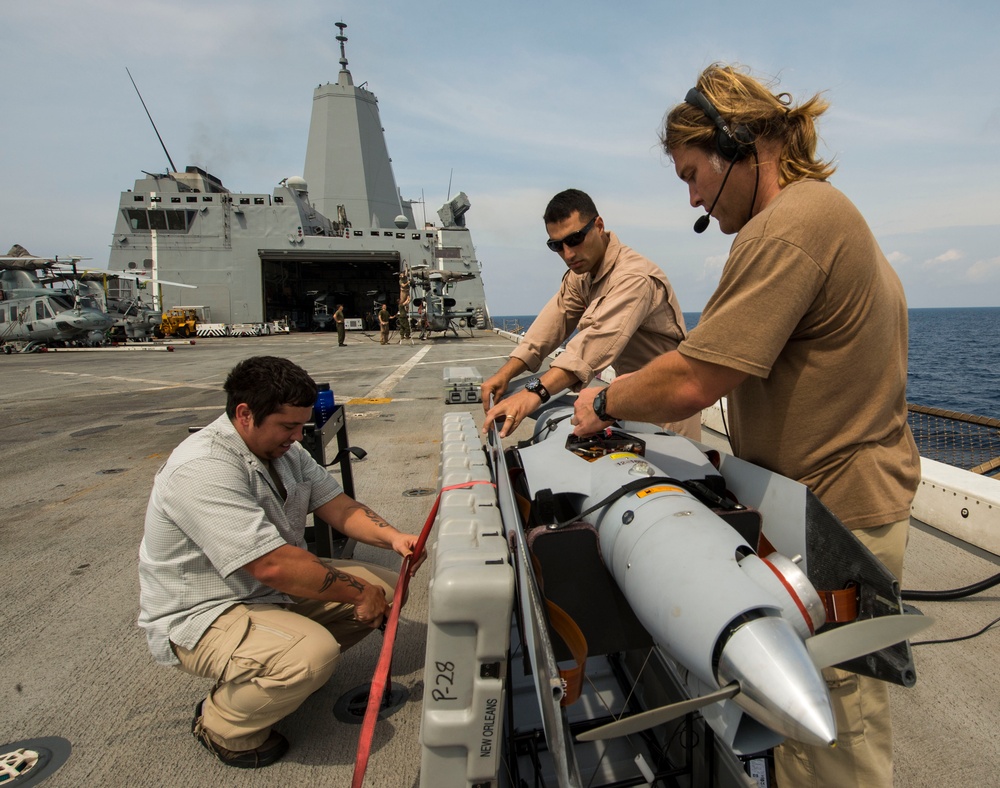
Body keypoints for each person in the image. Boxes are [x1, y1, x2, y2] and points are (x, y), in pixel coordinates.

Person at [572, 64, 919, 788]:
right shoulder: (820, 215)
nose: (694, 196)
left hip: (834, 518)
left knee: (834, 726)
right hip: (823, 505)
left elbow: (694, 376)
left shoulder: (791, 227)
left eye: (693, 175)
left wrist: (602, 402)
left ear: (737, 142)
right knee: (810, 722)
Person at [138, 355, 421, 768]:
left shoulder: (284, 451)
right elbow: (272, 565)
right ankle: (222, 723)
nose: (296, 436)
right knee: (313, 653)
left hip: (265, 590)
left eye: (300, 426)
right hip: (207, 609)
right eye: (287, 426)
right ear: (244, 414)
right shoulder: (202, 468)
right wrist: (359, 593)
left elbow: (338, 507)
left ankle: (278, 669)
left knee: (389, 588)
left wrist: (394, 537)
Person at [482, 188, 700, 440]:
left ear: (598, 225)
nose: (568, 254)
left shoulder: (633, 278)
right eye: (557, 246)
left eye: (574, 240)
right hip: (628, 398)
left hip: (666, 410)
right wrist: (504, 375)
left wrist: (533, 393)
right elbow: (547, 329)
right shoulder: (581, 274)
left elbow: (590, 347)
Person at [396, 272, 412, 344]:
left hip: (402, 316)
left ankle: (402, 336)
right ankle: (407, 335)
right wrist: (409, 299)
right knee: (407, 327)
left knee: (402, 327)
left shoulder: (401, 305)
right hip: (403, 316)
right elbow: (406, 302)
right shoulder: (401, 304)